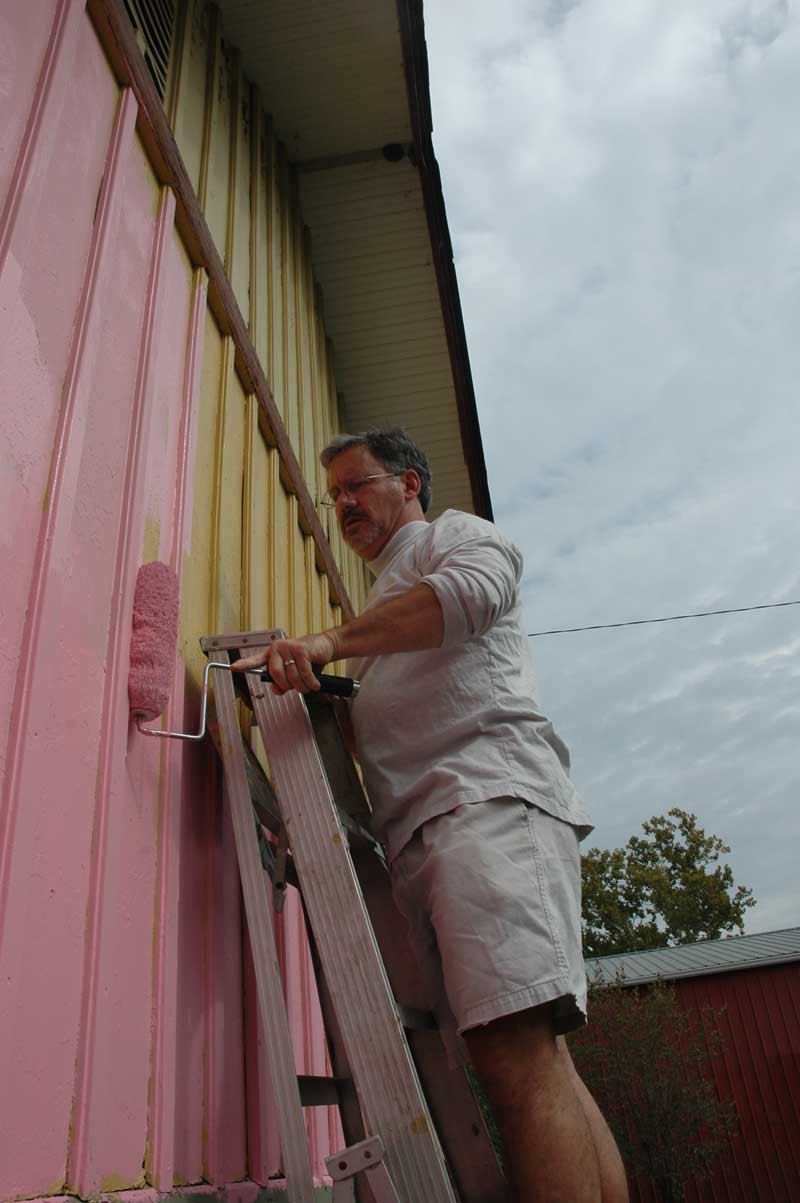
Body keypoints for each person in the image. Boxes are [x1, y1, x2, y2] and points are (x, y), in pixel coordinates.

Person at [233, 428, 628, 1203]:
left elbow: (472, 597)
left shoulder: (457, 538)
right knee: (537, 1059)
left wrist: (329, 642)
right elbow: (401, 723)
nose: (343, 502)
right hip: (439, 829)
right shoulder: (386, 610)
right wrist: (330, 704)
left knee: (517, 1057)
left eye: (357, 484)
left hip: (486, 806)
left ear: (410, 483)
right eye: (334, 493)